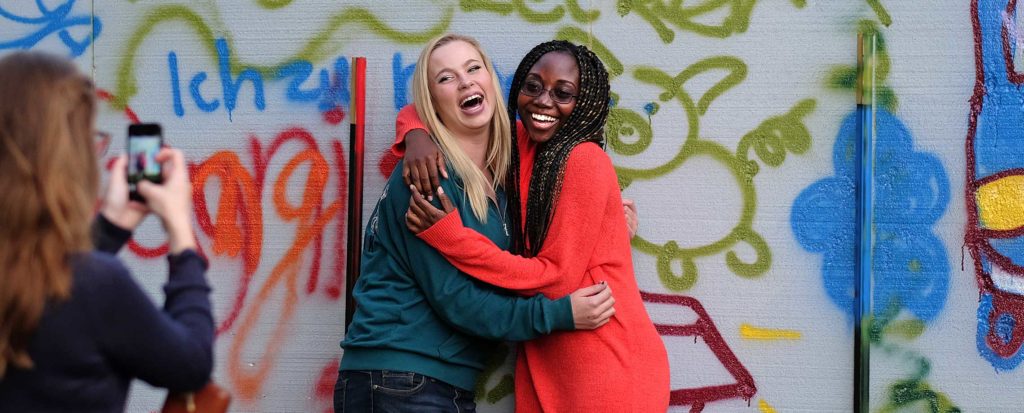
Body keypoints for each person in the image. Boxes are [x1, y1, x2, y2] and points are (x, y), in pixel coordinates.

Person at [336, 34, 616, 412]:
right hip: (397, 377)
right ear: (433, 100)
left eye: (473, 68)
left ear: (490, 79)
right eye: (446, 78)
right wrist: (559, 314)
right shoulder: (426, 179)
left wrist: (609, 217)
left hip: (436, 382)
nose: (465, 82)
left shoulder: (510, 168)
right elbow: (459, 301)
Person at [401, 40, 671, 411]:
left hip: (605, 364)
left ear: (585, 104)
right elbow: (434, 108)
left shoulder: (584, 160)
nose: (543, 101)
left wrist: (452, 239)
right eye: (533, 86)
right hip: (549, 364)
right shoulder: (520, 144)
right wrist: (415, 135)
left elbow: (556, 278)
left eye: (563, 93)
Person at [0, 51, 213, 411]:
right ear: (67, 159)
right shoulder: (98, 284)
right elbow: (191, 364)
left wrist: (111, 228)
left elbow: (48, 283)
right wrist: (181, 236)